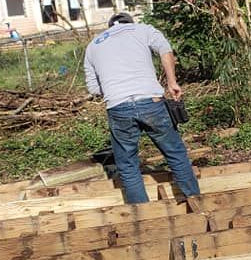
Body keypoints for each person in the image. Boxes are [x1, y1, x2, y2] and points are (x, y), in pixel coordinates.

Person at [83, 12, 200, 204]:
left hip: (118, 106)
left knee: (128, 165)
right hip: (151, 101)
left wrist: (117, 89)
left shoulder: (93, 45)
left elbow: (94, 88)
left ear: (110, 26)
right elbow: (165, 50)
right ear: (130, 23)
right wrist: (172, 82)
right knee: (175, 153)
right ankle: (195, 200)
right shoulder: (144, 29)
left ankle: (143, 214)